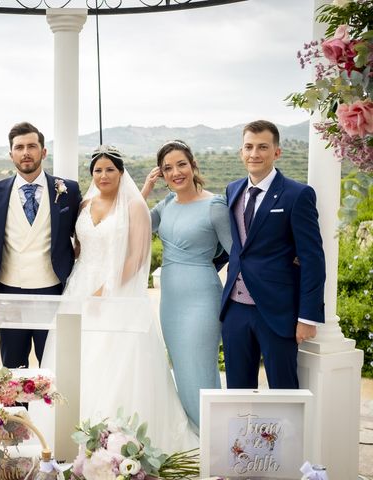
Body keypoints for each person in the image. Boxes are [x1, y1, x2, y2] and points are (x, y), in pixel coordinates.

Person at [44, 145, 198, 453]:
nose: (103, 175)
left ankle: (116, 440)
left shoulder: (135, 206)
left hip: (118, 295)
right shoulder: (85, 202)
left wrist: (106, 291)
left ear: (120, 172)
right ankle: (67, 436)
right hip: (79, 290)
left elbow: (138, 257)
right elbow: (79, 247)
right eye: (98, 170)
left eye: (110, 169)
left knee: (115, 363)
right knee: (76, 360)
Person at [220, 120, 325, 389]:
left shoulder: (297, 194)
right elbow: (239, 247)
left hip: (278, 311)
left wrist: (307, 317)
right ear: (241, 152)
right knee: (237, 390)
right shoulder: (233, 189)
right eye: (249, 147)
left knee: (284, 390)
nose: (255, 153)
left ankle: (288, 435)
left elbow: (312, 258)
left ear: (277, 152)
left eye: (263, 147)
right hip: (236, 308)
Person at [140, 140, 232, 430]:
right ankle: (195, 439)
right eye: (167, 168)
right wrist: (146, 189)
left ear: (194, 166)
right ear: (161, 174)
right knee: (181, 367)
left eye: (181, 164)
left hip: (201, 299)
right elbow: (135, 223)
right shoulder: (166, 204)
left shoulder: (215, 205)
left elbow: (237, 252)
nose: (175, 172)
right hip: (171, 304)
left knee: (200, 370)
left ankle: (213, 436)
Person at [0, 121, 81, 369]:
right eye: (19, 147)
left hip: (51, 290)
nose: (25, 152)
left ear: (43, 151)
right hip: (9, 289)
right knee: (12, 368)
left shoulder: (68, 189)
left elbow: (81, 232)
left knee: (52, 364)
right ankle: (16, 410)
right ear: (11, 154)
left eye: (31, 146)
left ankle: (48, 411)